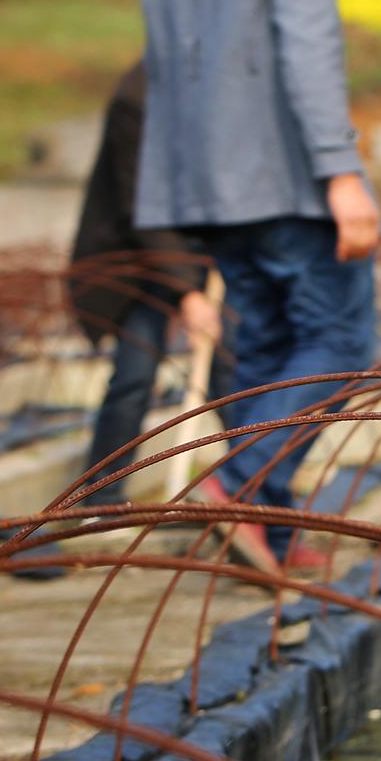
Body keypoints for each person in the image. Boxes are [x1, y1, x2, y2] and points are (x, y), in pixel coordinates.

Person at [134, 0, 381, 568]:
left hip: (201, 183)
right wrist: (341, 173)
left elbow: (166, 68)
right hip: (286, 176)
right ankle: (236, 484)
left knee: (268, 347)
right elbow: (308, 51)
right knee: (340, 338)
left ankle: (266, 531)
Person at [67, 63, 230, 503]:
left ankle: (253, 491)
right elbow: (142, 207)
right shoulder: (137, 98)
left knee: (232, 370)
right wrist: (187, 293)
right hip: (136, 260)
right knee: (134, 377)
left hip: (199, 253)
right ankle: (99, 500)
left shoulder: (222, 83)